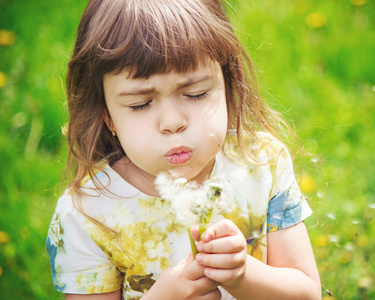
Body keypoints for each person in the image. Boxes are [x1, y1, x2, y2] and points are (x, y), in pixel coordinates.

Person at [46, 0, 321, 299]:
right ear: (107, 115)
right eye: (141, 104)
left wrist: (243, 275)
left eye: (196, 93)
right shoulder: (89, 213)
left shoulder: (262, 164)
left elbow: (307, 293)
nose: (173, 123)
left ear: (228, 86)